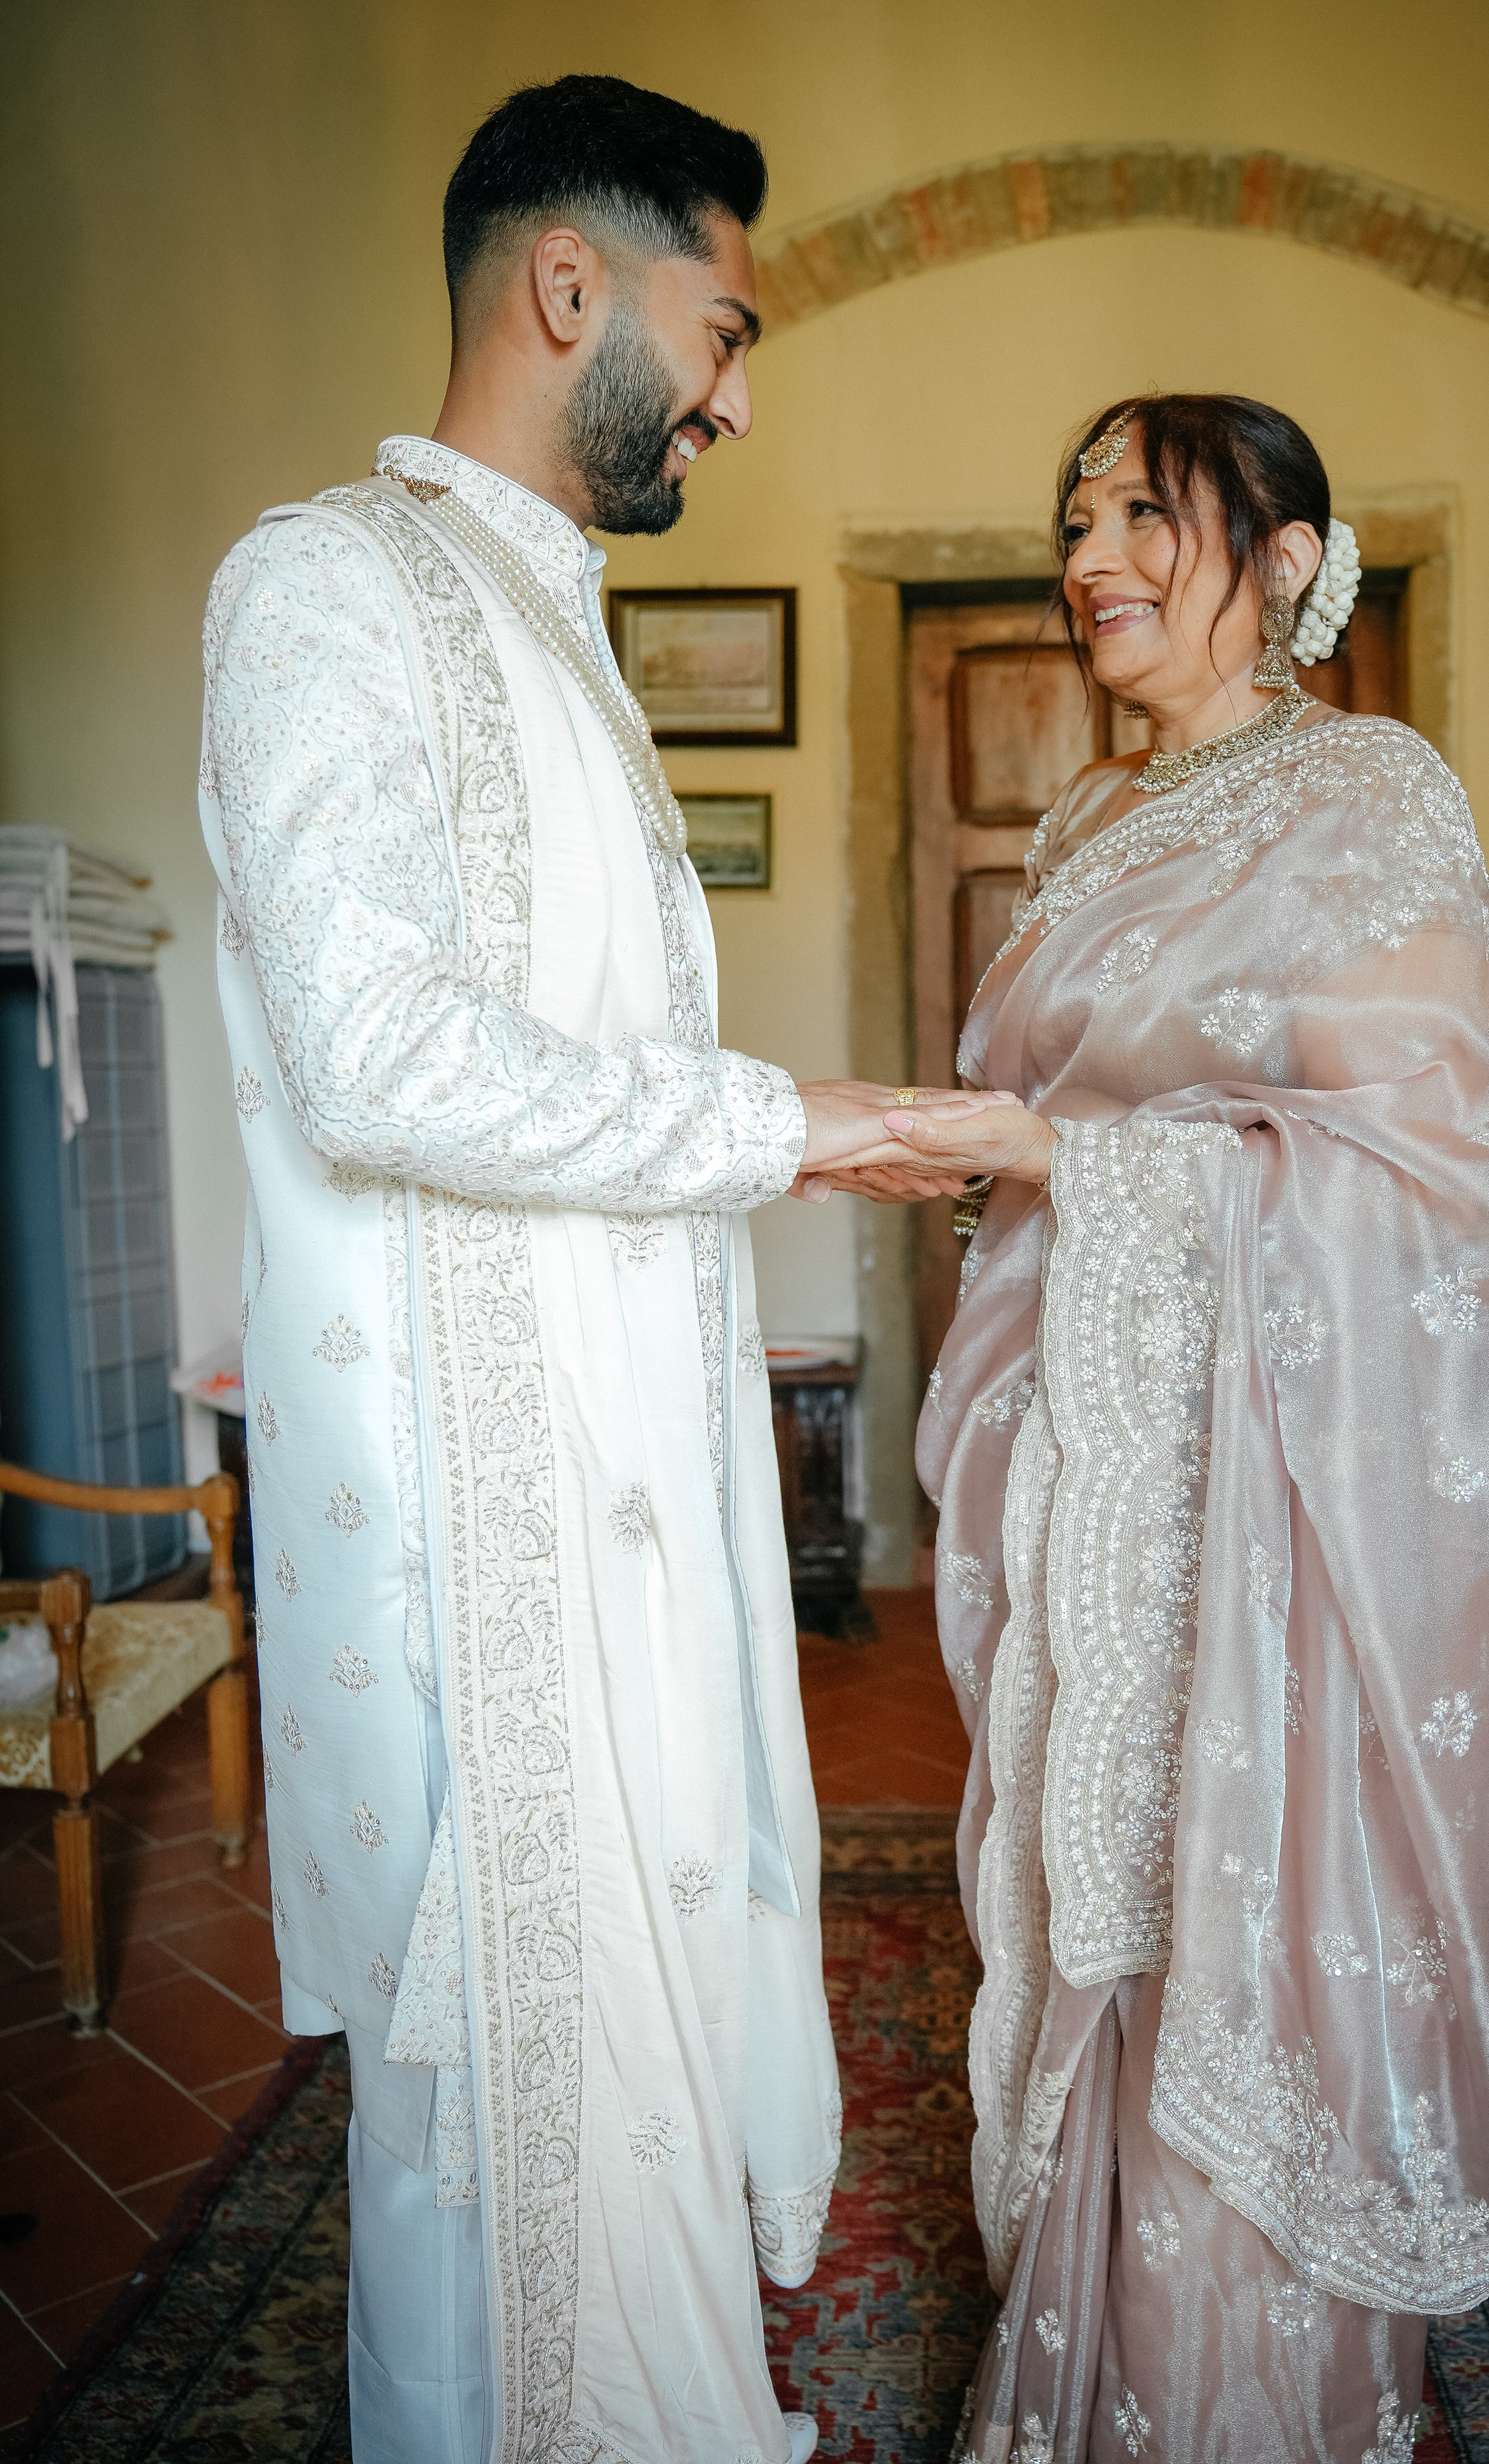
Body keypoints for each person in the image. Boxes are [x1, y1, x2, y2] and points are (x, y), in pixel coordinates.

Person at [199, 74, 977, 2464]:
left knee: (644, 2125)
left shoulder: (570, 641)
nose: (736, 394)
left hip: (644, 1524)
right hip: (486, 1567)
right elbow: (375, 1051)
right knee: (506, 2188)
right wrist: (800, 1121)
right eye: (722, 325)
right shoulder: (323, 582)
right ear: (572, 286)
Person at [830, 395, 1489, 2460]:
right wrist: (1020, 1163)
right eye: (1071, 517)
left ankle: (1237, 2379)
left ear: (1282, 555)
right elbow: (1063, 1136)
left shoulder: (1363, 793)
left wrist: (1071, 1155)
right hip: (1097, 1452)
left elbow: (1431, 1180)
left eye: (1143, 512)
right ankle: (1088, 2329)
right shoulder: (1079, 824)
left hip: (1266, 1476)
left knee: (1239, 1903)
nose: (1089, 554)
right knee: (1091, 1904)